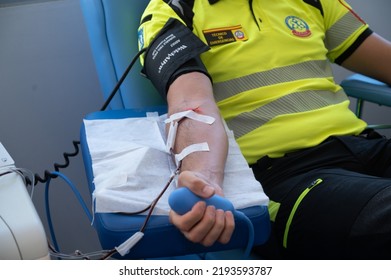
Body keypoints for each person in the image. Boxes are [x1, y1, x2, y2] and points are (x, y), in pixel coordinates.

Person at [137, 0, 391, 259]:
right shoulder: (174, 11)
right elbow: (191, 103)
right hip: (288, 175)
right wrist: (205, 178)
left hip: (365, 146)